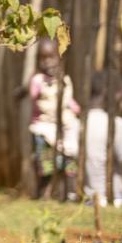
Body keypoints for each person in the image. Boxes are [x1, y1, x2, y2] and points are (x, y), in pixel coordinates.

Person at [27, 38, 80, 198]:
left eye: (51, 57)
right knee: (45, 165)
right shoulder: (37, 81)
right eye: (43, 58)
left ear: (59, 58)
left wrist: (76, 108)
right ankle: (42, 194)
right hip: (43, 129)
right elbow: (33, 97)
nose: (47, 62)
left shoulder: (64, 80)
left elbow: (69, 101)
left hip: (63, 129)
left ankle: (69, 193)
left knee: (69, 161)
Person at [74, 71, 122, 206]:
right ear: (109, 93)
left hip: (86, 201)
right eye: (119, 92)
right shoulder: (117, 125)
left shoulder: (75, 125)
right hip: (116, 199)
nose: (121, 97)